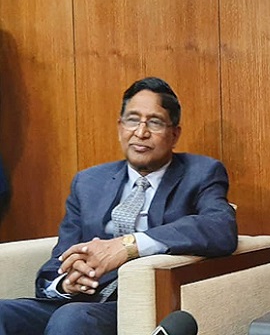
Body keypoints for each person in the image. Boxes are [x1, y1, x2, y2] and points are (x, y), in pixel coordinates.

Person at [0, 77, 239, 334]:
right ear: (120, 127)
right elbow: (57, 262)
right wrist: (66, 282)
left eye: (155, 122)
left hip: (139, 305)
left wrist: (129, 246)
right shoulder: (88, 183)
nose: (141, 132)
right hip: (81, 299)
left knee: (72, 318)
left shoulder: (201, 173)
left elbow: (220, 227)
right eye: (132, 120)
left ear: (174, 134)